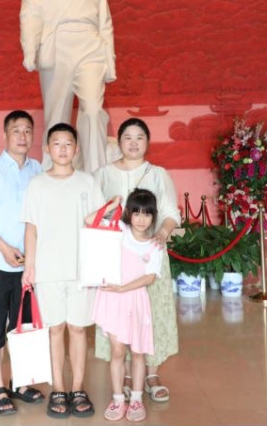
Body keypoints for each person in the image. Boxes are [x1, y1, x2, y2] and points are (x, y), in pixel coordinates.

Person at [19, 0, 116, 174]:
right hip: (56, 44)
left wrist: (110, 62)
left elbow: (105, 21)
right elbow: (30, 12)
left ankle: (96, 176)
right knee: (56, 116)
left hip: (89, 44)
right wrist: (30, 49)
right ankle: (55, 176)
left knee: (93, 110)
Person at [21, 122, 105, 418]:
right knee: (55, 329)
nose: (63, 149)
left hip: (81, 269)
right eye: (57, 143)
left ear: (76, 149)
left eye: (68, 144)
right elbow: (31, 228)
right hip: (47, 270)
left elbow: (98, 224)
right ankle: (58, 388)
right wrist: (29, 267)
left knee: (78, 329)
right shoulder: (37, 184)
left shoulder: (87, 183)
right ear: (47, 149)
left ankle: (78, 388)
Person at [93, 118, 180, 403]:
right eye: (127, 137)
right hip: (116, 259)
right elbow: (95, 215)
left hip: (149, 255)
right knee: (120, 313)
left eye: (139, 137)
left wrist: (162, 233)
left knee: (150, 314)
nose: (133, 142)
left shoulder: (158, 174)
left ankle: (152, 373)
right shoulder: (103, 174)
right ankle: (128, 374)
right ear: (118, 142)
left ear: (147, 142)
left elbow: (170, 212)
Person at [0, 110, 45, 416]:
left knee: (23, 325)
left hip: (28, 265)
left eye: (28, 131)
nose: (23, 137)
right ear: (5, 135)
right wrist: (2, 248)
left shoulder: (38, 169)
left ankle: (21, 382)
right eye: (17, 131)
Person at [92, 189, 163, 423]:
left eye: (147, 214)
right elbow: (90, 221)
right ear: (129, 214)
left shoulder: (155, 246)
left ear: (153, 216)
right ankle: (117, 399)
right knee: (118, 351)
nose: (142, 219)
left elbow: (150, 277)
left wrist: (124, 288)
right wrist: (112, 205)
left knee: (138, 352)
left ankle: (136, 399)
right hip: (113, 300)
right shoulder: (120, 231)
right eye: (137, 213)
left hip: (136, 300)